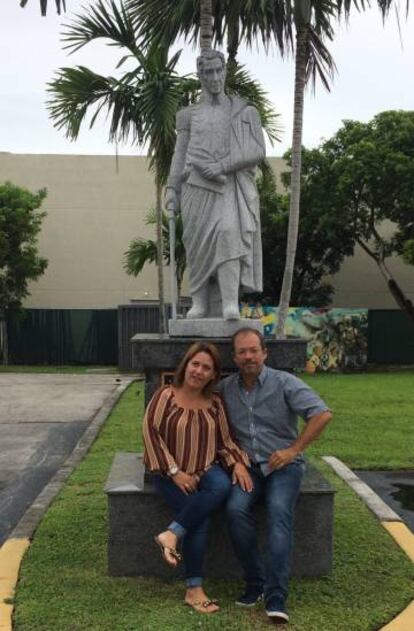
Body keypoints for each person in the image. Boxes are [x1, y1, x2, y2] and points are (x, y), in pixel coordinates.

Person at [217, 327, 332, 624]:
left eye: (253, 350)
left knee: (279, 512)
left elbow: (321, 414)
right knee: (234, 509)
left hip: (284, 467)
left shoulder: (284, 382)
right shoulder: (226, 388)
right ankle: (256, 583)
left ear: (264, 353)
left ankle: (276, 595)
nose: (248, 356)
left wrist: (294, 450)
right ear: (235, 357)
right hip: (248, 468)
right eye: (242, 351)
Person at [142, 341, 252, 614]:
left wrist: (237, 462)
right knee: (200, 521)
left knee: (222, 487)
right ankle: (194, 589)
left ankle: (171, 534)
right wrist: (175, 472)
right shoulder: (165, 395)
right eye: (195, 364)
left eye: (206, 368)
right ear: (186, 365)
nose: (199, 371)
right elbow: (150, 434)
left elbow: (225, 439)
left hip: (206, 469)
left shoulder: (215, 402)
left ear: (213, 375)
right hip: (169, 473)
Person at [165, 49, 265, 320]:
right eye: (208, 72)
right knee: (196, 243)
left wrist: (222, 166)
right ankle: (200, 304)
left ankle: (230, 302)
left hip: (229, 186)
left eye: (219, 71)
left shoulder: (243, 111)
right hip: (195, 187)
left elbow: (258, 150)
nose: (215, 77)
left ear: (225, 71)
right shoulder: (187, 115)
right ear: (200, 75)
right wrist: (171, 189)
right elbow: (180, 152)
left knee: (228, 234)